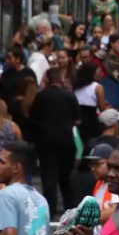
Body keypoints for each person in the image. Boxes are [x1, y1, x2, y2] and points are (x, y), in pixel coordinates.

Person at [30, 68, 79, 212]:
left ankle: (49, 208)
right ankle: (70, 207)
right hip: (66, 141)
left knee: (48, 176)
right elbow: (77, 118)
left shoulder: (41, 96)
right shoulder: (69, 96)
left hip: (45, 141)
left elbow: (33, 117)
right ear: (61, 80)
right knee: (66, 176)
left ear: (47, 79)